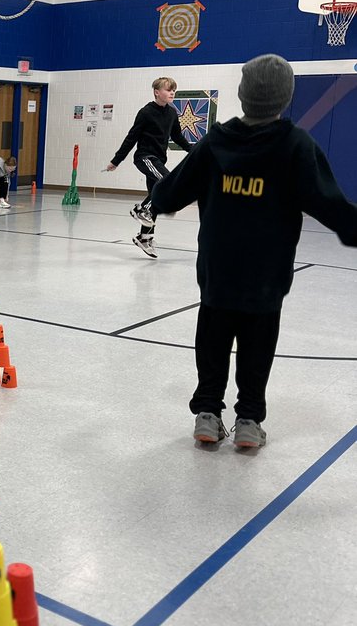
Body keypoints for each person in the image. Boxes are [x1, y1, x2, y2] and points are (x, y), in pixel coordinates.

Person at [149, 54, 357, 449]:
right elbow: (331, 205)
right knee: (257, 344)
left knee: (212, 337)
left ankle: (207, 414)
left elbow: (171, 190)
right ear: (285, 98)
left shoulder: (216, 141)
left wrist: (160, 198)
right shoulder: (296, 145)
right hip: (266, 272)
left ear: (242, 95)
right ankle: (248, 420)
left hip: (218, 269)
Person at [106, 76, 190, 257]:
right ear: (157, 92)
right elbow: (131, 138)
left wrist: (193, 151)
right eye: (169, 90)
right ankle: (139, 209)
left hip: (159, 160)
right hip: (145, 157)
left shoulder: (172, 113)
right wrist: (116, 160)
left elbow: (178, 137)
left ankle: (144, 237)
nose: (172, 93)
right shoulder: (145, 112)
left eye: (174, 90)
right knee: (167, 182)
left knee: (157, 199)